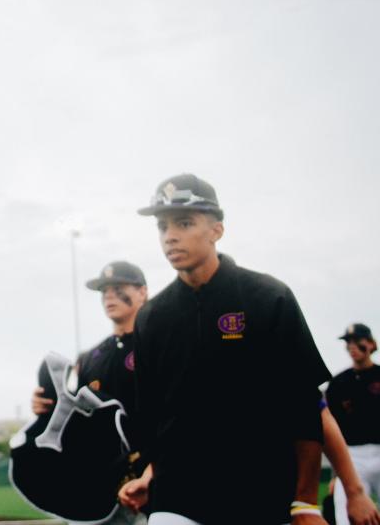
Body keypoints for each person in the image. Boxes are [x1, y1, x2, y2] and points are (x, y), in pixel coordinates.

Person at [118, 174, 331, 525]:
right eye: (162, 226)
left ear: (217, 229)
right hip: (178, 500)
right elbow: (153, 417)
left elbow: (304, 408)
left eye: (184, 223)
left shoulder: (268, 297)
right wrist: (151, 474)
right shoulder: (152, 317)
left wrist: (306, 502)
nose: (170, 235)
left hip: (261, 497)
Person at [31, 260, 149, 524]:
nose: (109, 295)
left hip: (149, 484)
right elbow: (78, 416)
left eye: (118, 287)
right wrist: (44, 407)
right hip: (101, 485)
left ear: (142, 291)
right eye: (104, 290)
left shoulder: (159, 343)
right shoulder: (89, 357)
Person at [326, 324, 380, 525]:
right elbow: (332, 429)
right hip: (352, 456)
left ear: (371, 344)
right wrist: (336, 473)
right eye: (348, 342)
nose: (352, 346)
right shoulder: (339, 383)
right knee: (345, 514)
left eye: (357, 341)